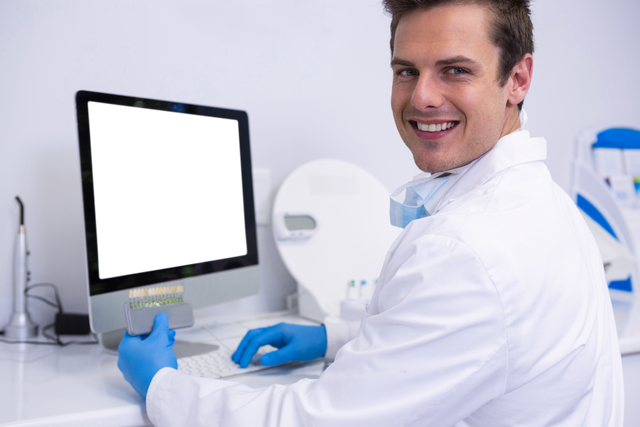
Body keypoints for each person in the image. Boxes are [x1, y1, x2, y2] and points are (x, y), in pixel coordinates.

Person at [118, 0, 625, 425]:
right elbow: (462, 342)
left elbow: (316, 421)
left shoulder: (470, 250)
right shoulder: (543, 201)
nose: (422, 97)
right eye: (407, 71)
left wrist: (164, 386)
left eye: (455, 70)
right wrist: (331, 337)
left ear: (517, 78)